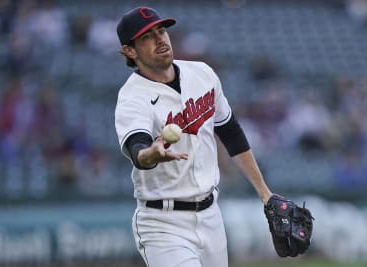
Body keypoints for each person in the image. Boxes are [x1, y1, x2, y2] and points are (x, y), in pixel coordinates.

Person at [114, 6, 273, 267]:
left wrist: (264, 192)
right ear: (130, 51)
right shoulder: (132, 97)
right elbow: (137, 147)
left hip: (211, 216)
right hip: (163, 223)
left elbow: (230, 131)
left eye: (161, 31)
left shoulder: (202, 73)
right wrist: (151, 154)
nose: (160, 39)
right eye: (146, 37)